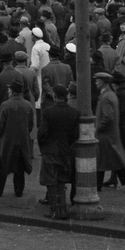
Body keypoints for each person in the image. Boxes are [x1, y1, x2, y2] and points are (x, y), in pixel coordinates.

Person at [37, 84, 80, 218]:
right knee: (61, 180)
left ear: (55, 96)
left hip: (50, 150)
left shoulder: (48, 112)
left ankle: (54, 209)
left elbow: (42, 133)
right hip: (65, 151)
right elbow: (75, 135)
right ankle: (62, 209)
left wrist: (43, 148)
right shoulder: (74, 113)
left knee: (51, 181)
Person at [95, 72, 125, 192]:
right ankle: (98, 186)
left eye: (97, 80)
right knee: (110, 162)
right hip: (110, 135)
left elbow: (108, 117)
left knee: (107, 162)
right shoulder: (110, 94)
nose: (96, 82)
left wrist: (98, 128)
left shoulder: (107, 97)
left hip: (106, 135)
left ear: (103, 82)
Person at [0, 78, 34, 197]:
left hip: (7, 141)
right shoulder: (27, 105)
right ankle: (18, 190)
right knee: (20, 169)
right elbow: (30, 124)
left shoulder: (5, 105)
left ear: (12, 91)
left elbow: (0, 124)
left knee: (3, 166)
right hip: (22, 142)